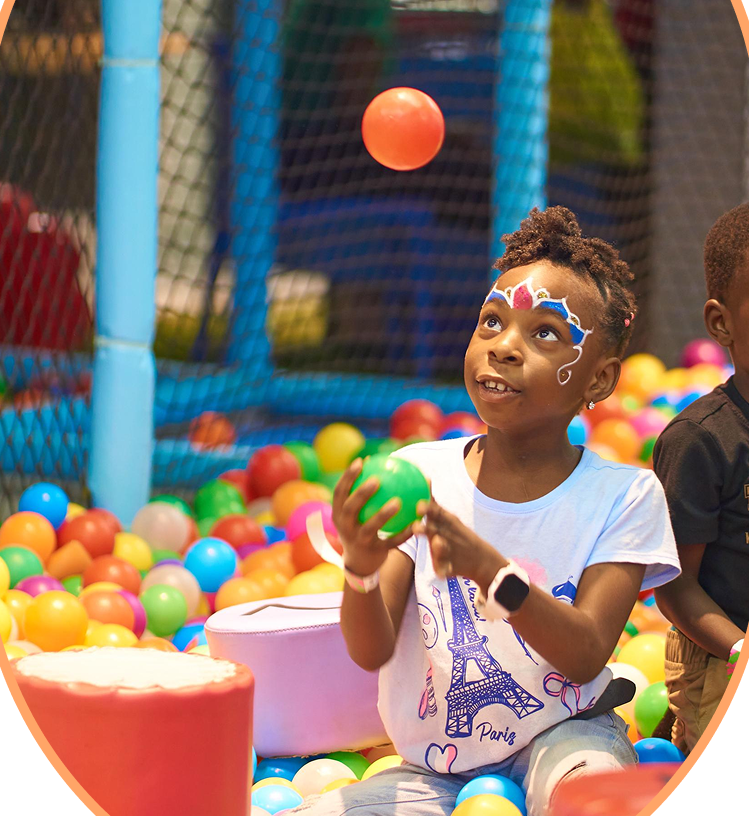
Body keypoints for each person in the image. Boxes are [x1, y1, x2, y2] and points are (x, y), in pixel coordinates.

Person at [289, 206, 680, 816]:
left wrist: (490, 571)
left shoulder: (624, 496)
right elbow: (371, 651)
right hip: (435, 770)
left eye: (545, 333)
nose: (504, 347)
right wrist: (361, 567)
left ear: (598, 381)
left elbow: (583, 654)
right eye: (492, 322)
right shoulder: (419, 476)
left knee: (590, 797)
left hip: (567, 739)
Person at [652, 202, 749, 755]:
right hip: (720, 657)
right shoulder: (702, 440)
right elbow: (673, 584)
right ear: (721, 323)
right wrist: (738, 650)